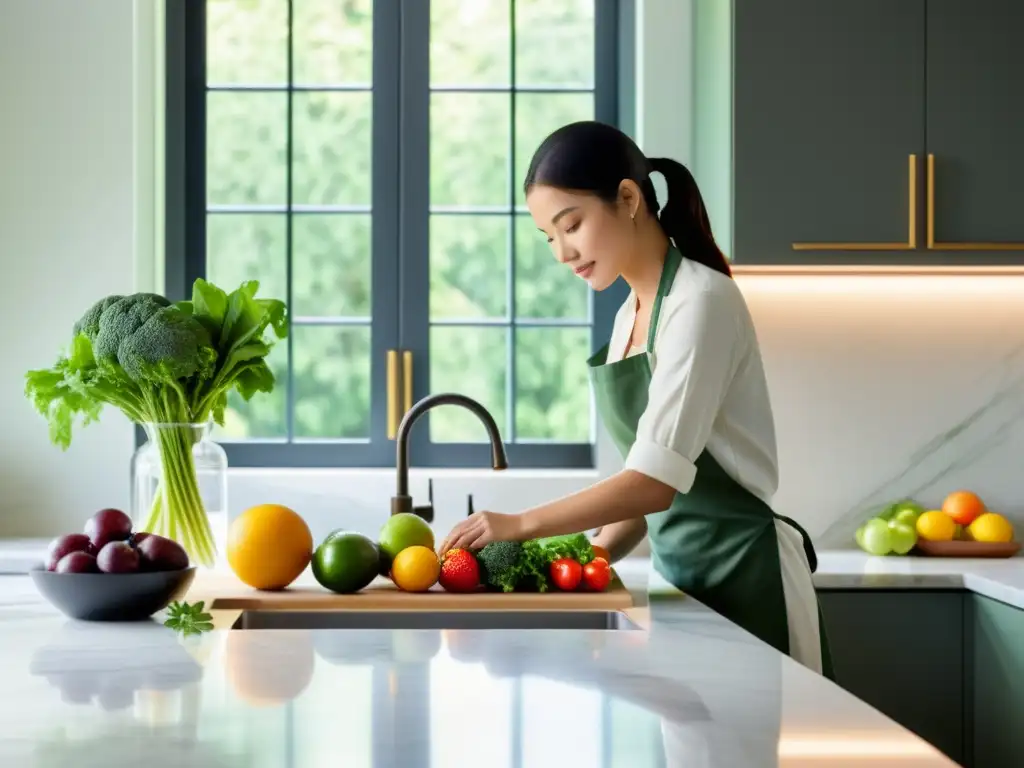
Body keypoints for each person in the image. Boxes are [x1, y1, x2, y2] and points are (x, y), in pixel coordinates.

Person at [438, 120, 832, 677]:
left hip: (750, 580)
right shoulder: (630, 317)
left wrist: (520, 525)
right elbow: (648, 483)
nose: (562, 252)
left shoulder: (701, 303)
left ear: (628, 198)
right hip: (684, 583)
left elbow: (653, 481)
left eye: (570, 225)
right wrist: (591, 557)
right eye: (549, 237)